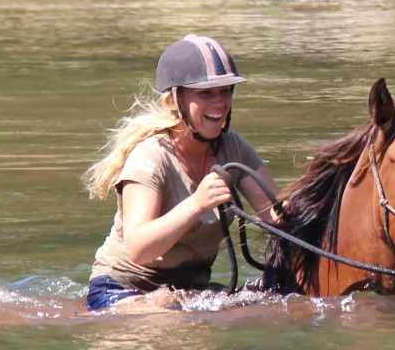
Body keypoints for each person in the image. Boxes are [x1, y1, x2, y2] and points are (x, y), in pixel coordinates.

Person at [82, 34, 281, 311]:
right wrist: (197, 204)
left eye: (226, 91)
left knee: (273, 309)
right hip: (124, 289)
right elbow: (139, 248)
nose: (220, 103)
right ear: (176, 99)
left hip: (188, 290)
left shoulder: (234, 146)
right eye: (205, 93)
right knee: (179, 331)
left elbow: (278, 218)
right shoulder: (151, 155)